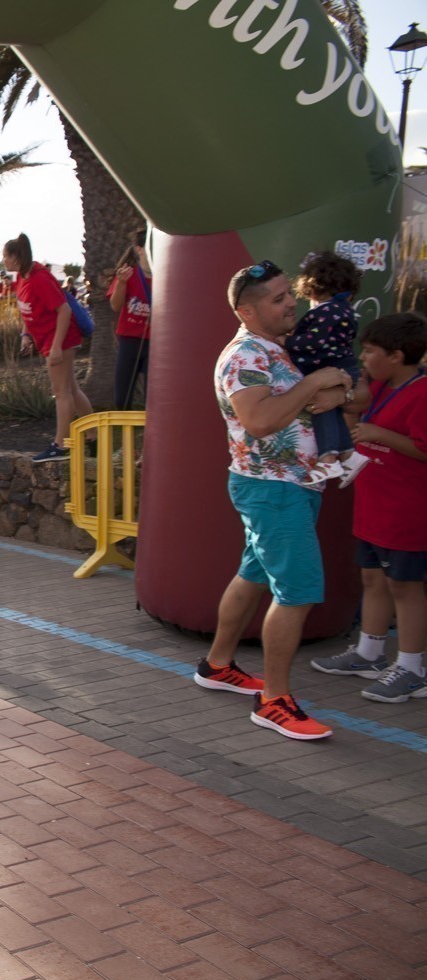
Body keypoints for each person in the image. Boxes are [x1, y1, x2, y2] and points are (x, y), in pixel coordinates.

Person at [196, 259, 352, 741]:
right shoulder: (246, 356)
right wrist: (314, 384)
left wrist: (337, 391)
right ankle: (274, 701)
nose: (291, 304)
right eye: (279, 299)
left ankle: (217, 665)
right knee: (298, 591)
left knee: (253, 575)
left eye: (290, 294)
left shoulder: (279, 348)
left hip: (288, 486)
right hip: (274, 489)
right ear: (247, 311)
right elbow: (260, 421)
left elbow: (341, 392)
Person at [309, 312, 427, 702]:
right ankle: (369, 653)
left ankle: (412, 668)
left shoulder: (422, 392)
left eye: (371, 350)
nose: (363, 357)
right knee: (373, 580)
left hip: (406, 512)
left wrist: (381, 434)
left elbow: (422, 448)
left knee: (404, 587)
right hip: (373, 508)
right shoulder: (376, 386)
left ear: (396, 356)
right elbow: (353, 421)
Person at [6, 233, 93, 462]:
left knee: (61, 392)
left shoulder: (40, 278)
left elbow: (64, 310)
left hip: (60, 339)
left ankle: (61, 445)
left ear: (15, 258)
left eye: (5, 256)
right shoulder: (22, 277)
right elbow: (28, 307)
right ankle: (93, 436)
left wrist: (56, 347)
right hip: (47, 338)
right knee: (71, 389)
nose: (3, 260)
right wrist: (26, 334)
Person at [290, 250, 368, 481]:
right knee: (332, 411)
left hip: (334, 370)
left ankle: (328, 460)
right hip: (343, 368)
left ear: (313, 288)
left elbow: (313, 341)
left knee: (321, 409)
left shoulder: (327, 311)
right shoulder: (343, 310)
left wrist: (287, 341)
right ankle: (349, 455)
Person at [107, 245, 153, 410]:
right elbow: (115, 305)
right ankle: (125, 425)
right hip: (129, 341)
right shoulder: (128, 274)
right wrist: (121, 283)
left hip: (154, 344)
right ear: (139, 250)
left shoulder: (164, 275)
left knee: (152, 398)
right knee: (122, 399)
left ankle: (151, 426)